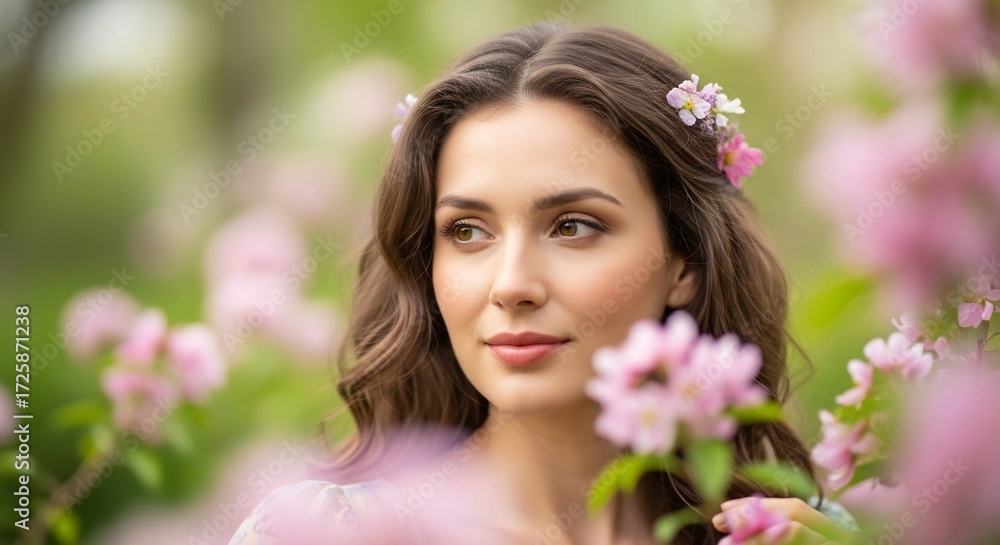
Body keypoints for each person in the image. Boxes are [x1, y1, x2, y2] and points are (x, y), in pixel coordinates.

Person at [228, 22, 857, 544]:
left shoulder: (793, 535)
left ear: (683, 263)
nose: (512, 285)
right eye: (468, 231)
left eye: (574, 226)